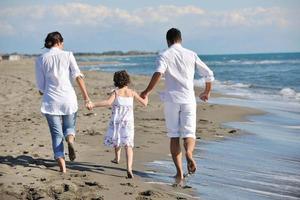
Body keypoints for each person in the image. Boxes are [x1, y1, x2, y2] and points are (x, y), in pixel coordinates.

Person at [140, 28, 214, 185]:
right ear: (181, 39)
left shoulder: (164, 54)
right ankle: (188, 153)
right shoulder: (191, 54)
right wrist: (206, 92)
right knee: (189, 133)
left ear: (168, 41)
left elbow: (158, 73)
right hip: (188, 99)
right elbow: (208, 74)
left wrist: (146, 91)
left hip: (172, 100)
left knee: (174, 135)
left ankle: (179, 173)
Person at [35, 31, 92, 173]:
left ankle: (63, 168)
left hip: (51, 101)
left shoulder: (41, 59)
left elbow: (41, 87)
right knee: (69, 127)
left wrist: (43, 90)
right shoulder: (68, 55)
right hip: (68, 99)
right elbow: (78, 76)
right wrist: (86, 98)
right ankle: (70, 140)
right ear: (60, 42)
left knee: (56, 134)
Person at [91, 70, 148, 178]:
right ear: (127, 81)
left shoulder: (116, 93)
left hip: (117, 121)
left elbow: (108, 103)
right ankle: (129, 169)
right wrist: (147, 95)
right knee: (128, 145)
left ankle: (117, 158)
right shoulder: (132, 92)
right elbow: (144, 103)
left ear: (116, 81)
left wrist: (94, 104)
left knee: (116, 138)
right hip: (128, 123)